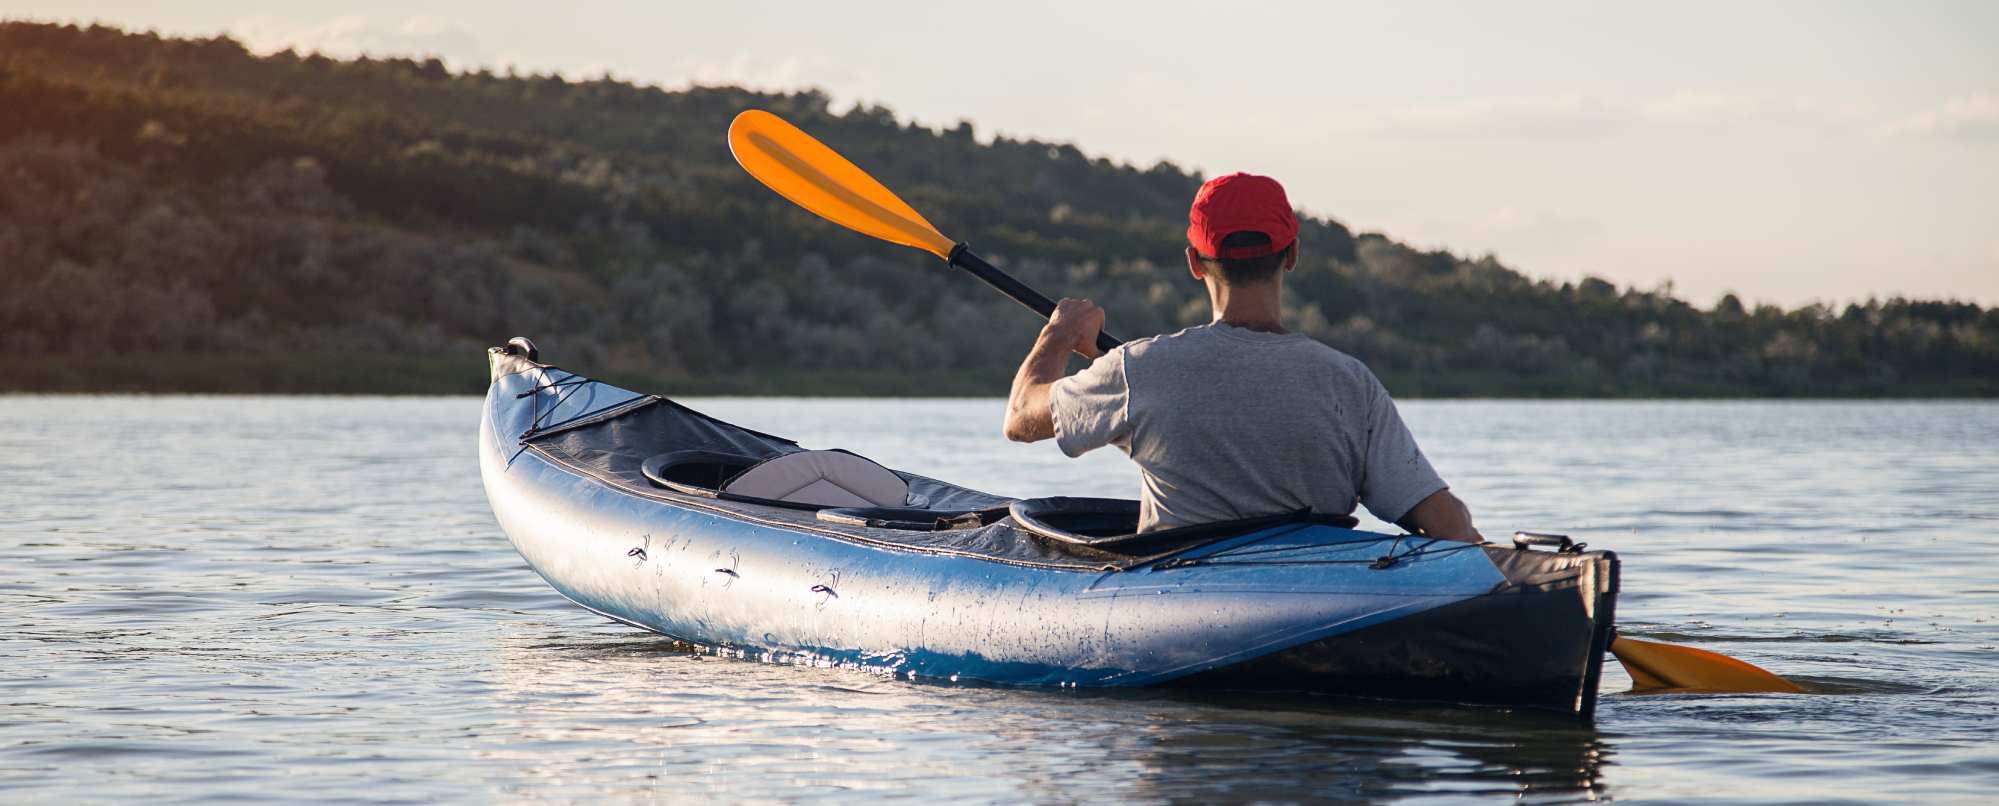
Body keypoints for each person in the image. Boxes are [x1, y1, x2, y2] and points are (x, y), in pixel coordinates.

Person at [1002, 172, 1483, 541]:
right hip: (1322, 600)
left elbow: (1021, 418)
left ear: (1194, 262)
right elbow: (1447, 525)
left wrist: (1060, 333)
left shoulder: (1137, 368)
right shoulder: (1350, 383)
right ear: (1292, 254)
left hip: (1180, 605)